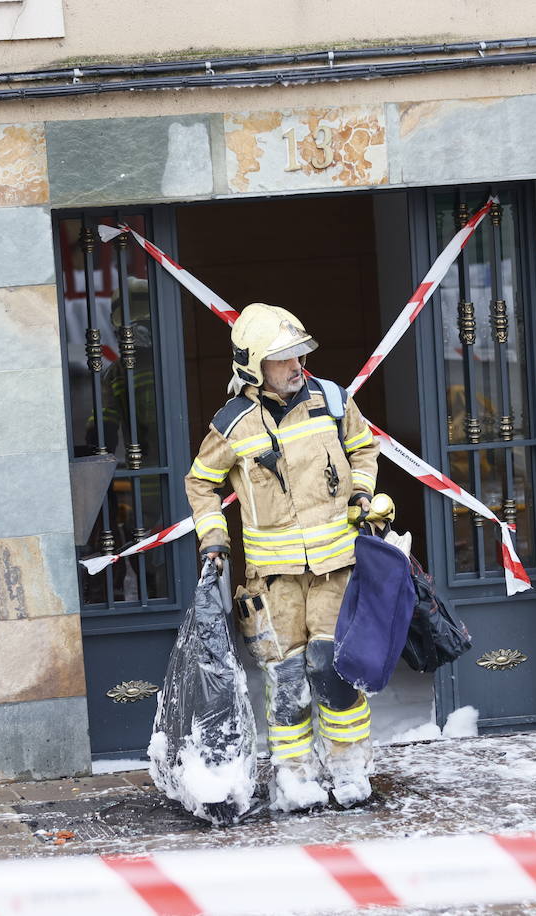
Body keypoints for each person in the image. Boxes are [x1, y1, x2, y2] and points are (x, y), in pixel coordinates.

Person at [184, 303, 380, 810]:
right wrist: (213, 538)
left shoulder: (332, 400)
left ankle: (350, 766)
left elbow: (364, 448)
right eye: (283, 357)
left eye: (299, 354)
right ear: (254, 366)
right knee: (288, 680)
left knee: (333, 669)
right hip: (273, 582)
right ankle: (294, 777)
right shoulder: (232, 425)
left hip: (336, 569)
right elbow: (200, 483)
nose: (297, 365)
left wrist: (361, 492)